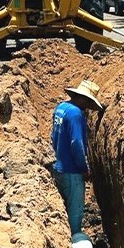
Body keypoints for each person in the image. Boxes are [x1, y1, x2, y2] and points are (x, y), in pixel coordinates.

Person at [50, 80, 104, 236]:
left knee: (65, 204)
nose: (87, 107)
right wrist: (84, 169)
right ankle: (74, 238)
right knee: (75, 208)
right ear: (85, 99)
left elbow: (53, 136)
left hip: (58, 165)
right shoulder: (75, 114)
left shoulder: (61, 108)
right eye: (88, 103)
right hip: (71, 170)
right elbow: (77, 143)